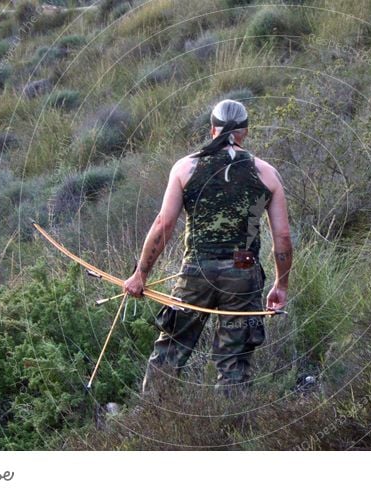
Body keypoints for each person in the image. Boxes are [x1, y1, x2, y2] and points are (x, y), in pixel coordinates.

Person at [123, 99, 292, 394]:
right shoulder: (267, 174)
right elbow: (283, 238)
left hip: (196, 271)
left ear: (212, 129)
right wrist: (281, 284)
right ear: (245, 132)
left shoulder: (185, 167)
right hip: (243, 271)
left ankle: (151, 420)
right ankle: (230, 431)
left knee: (170, 352)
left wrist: (141, 274)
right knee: (234, 362)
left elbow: (164, 225)